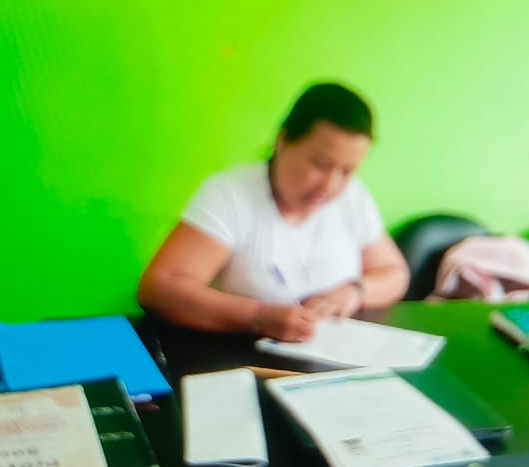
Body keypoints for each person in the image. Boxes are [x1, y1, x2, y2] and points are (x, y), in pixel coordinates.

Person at [137, 82, 409, 342]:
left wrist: (356, 291)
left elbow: (394, 273)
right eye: (320, 164)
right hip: (242, 357)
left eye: (348, 171)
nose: (330, 185)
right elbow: (159, 288)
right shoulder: (231, 194)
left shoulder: (352, 197)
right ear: (283, 141)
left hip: (334, 355)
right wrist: (256, 316)